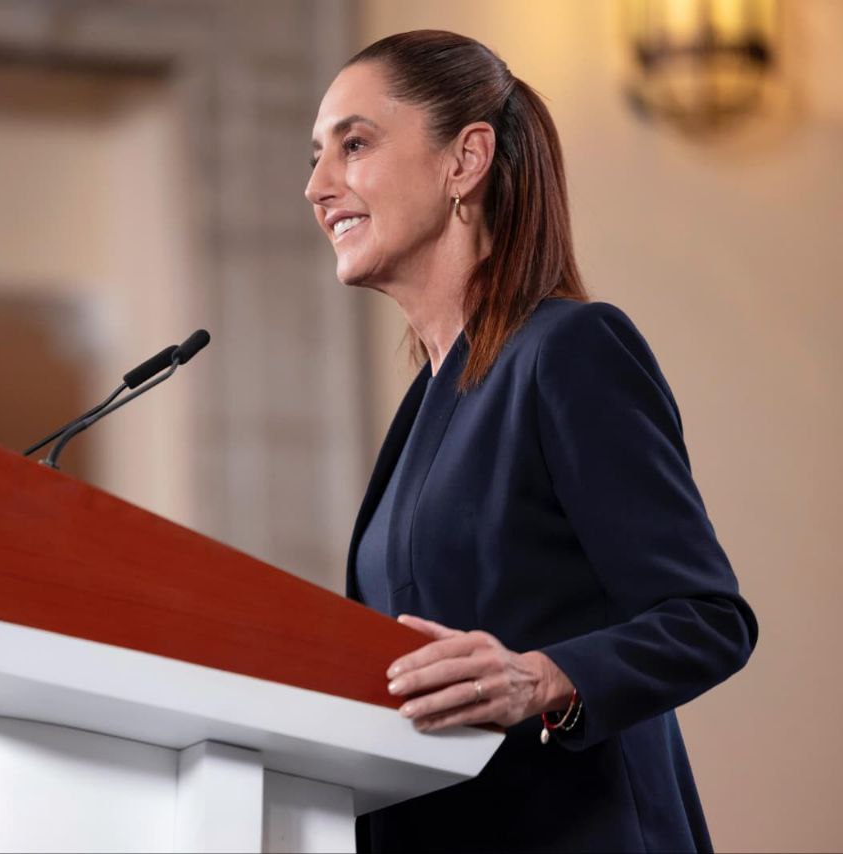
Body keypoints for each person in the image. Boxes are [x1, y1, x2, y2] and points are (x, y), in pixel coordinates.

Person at [304, 30, 757, 852]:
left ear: (466, 160)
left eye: (354, 145)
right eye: (316, 157)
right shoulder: (426, 402)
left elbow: (707, 619)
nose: (317, 186)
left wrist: (540, 678)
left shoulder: (569, 351)